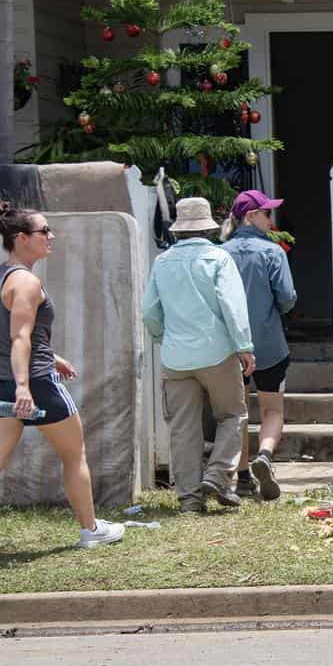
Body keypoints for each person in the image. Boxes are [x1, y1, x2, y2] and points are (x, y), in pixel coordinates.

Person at [0, 204, 125, 564]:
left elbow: (14, 334)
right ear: (21, 238)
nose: (51, 236)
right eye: (45, 231)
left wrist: (51, 355)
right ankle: (91, 530)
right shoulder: (27, 281)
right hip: (36, 383)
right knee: (74, 455)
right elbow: (19, 339)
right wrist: (24, 387)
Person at [142, 197, 255, 512]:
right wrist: (244, 347)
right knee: (232, 415)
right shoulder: (218, 259)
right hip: (218, 353)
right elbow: (233, 307)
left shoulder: (161, 262)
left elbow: (150, 312)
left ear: (179, 229)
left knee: (183, 428)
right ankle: (218, 475)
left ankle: (190, 499)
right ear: (207, 227)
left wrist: (165, 338)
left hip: (176, 357)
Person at [221, 190, 297, 500]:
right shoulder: (272, 252)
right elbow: (288, 298)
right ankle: (264, 455)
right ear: (250, 216)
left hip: (230, 347)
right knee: (272, 410)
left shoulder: (220, 253)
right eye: (267, 213)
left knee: (237, 413)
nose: (271, 219)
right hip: (269, 344)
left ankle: (241, 479)